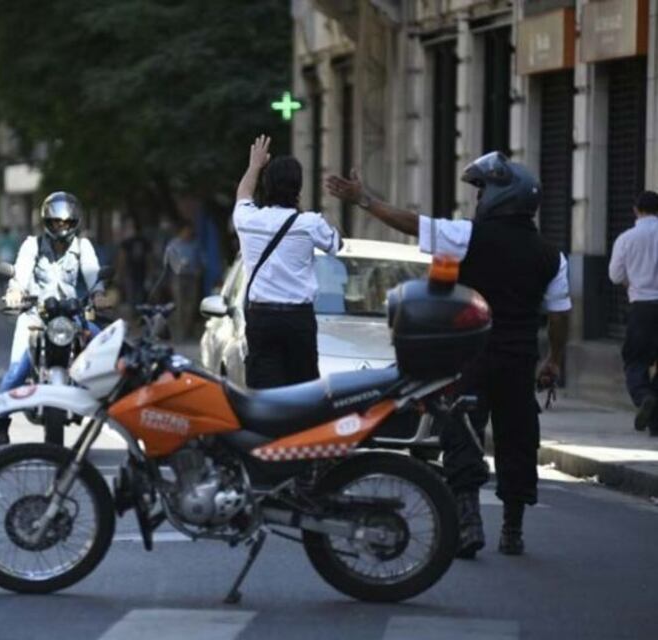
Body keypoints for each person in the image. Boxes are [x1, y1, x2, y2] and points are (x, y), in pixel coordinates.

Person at [325, 152, 572, 558]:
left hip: (471, 357)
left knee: (462, 433)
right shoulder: (551, 256)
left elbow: (412, 224)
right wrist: (554, 360)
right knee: (518, 439)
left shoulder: (466, 236)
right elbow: (560, 315)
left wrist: (364, 200)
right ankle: (512, 529)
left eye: (483, 191)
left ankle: (468, 520)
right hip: (518, 361)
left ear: (502, 196)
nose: (479, 198)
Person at [0, 191, 101, 445]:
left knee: (105, 350)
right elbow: (21, 273)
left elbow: (94, 276)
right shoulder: (32, 245)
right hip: (36, 316)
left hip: (71, 316)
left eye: (66, 222)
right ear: (47, 222)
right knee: (17, 371)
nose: (61, 227)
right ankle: (0, 420)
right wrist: (15, 291)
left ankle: (109, 409)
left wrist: (99, 294)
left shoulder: (83, 247)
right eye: (56, 222)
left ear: (74, 222)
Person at [235, 135, 341, 389]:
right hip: (298, 320)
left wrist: (254, 166)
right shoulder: (310, 223)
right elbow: (336, 245)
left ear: (266, 185)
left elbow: (243, 195)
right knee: (302, 391)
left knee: (264, 391)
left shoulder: (248, 220)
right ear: (298, 187)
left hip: (261, 318)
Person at [608, 190, 658, 435]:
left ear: (636, 210)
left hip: (641, 307)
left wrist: (632, 281)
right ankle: (656, 423)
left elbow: (615, 275)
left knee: (635, 361)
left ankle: (643, 395)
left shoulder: (626, 239)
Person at [164, 222, 203, 340]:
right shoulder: (174, 244)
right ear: (181, 231)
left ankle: (187, 329)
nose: (188, 233)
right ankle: (181, 331)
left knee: (191, 304)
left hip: (192, 277)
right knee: (180, 303)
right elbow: (168, 261)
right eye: (187, 230)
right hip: (178, 277)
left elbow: (201, 260)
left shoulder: (195, 244)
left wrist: (198, 270)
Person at [118, 218, 151, 307]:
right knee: (140, 296)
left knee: (132, 297)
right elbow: (149, 258)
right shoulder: (144, 241)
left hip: (131, 272)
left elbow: (122, 258)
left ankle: (133, 311)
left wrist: (120, 273)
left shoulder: (127, 242)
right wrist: (150, 271)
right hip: (141, 272)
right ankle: (138, 311)